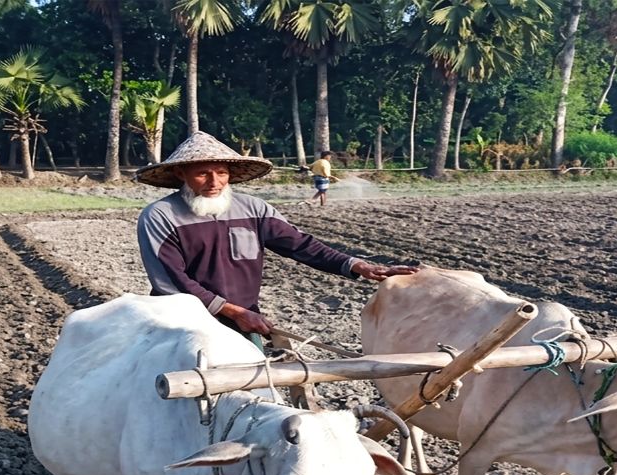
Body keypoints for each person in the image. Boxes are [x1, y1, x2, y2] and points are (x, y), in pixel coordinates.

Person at [135, 131, 416, 338]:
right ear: (181, 174)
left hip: (244, 320)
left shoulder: (254, 209)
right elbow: (172, 282)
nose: (214, 182)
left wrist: (358, 265)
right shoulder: (161, 216)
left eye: (221, 172)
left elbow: (300, 245)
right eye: (202, 174)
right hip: (183, 325)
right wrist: (233, 312)